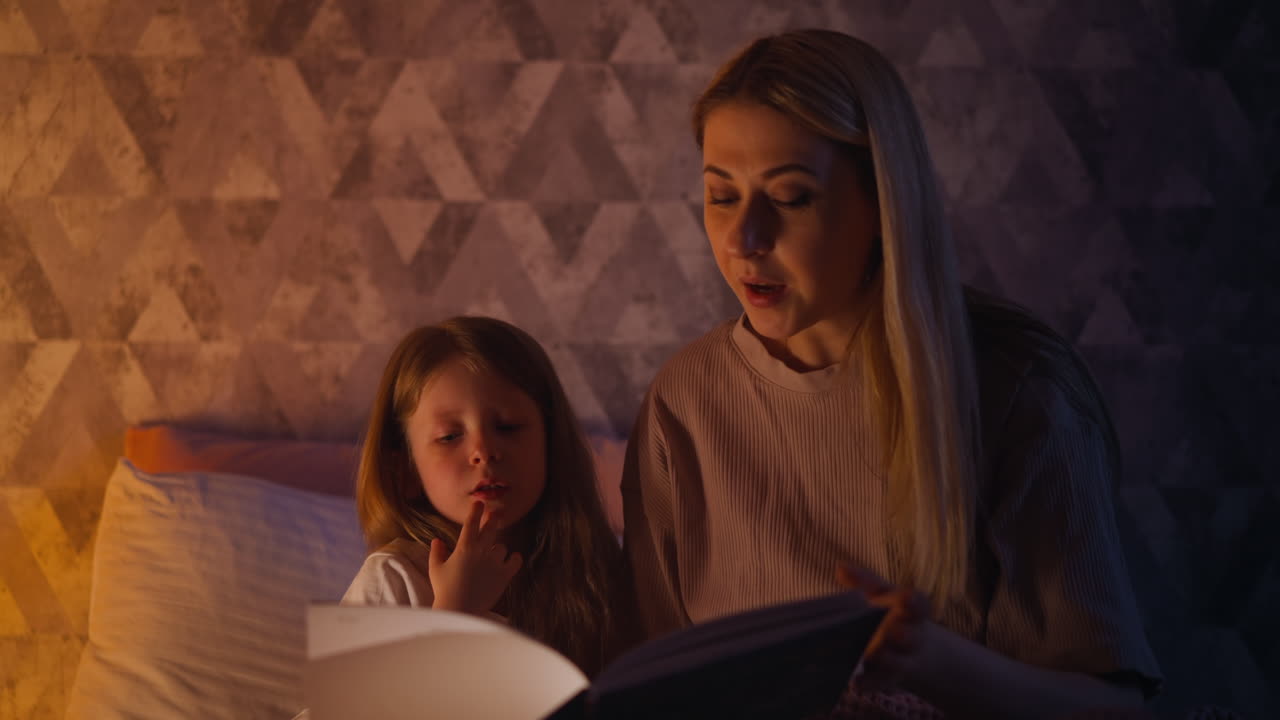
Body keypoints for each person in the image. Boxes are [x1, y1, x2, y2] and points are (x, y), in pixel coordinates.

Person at [620, 29, 1163, 718]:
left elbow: (1115, 710)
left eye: (790, 198)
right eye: (721, 195)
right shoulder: (683, 401)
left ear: (881, 203)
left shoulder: (1018, 394)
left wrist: (933, 661)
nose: (743, 239)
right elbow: (655, 681)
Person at [344, 316, 624, 677]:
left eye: (507, 426)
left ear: (551, 446)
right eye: (449, 436)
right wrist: (455, 610)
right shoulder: (394, 582)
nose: (484, 451)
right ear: (406, 472)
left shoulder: (595, 582)